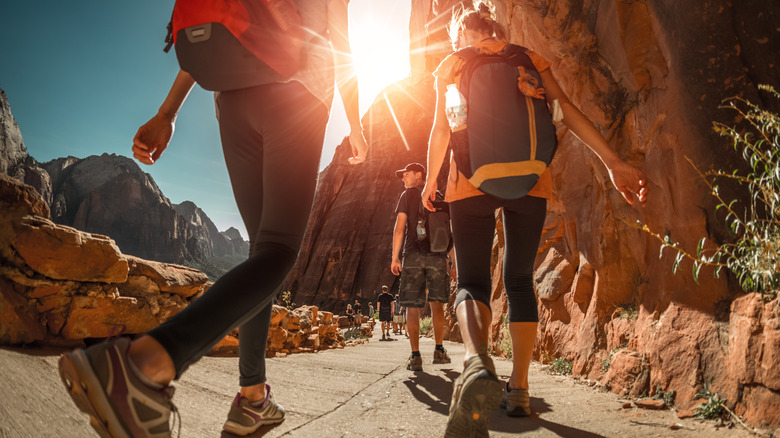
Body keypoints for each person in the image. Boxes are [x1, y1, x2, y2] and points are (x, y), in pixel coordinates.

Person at [57, 2, 368, 437]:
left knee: (262, 253)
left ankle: (253, 399)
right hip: (296, 92)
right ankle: (142, 366)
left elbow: (225, 23)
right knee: (277, 250)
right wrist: (355, 125)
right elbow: (341, 43)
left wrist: (168, 113)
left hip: (231, 98)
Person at [422, 2, 648, 435]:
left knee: (471, 282)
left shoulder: (451, 64)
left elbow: (442, 129)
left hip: (469, 181)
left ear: (459, 35)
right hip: (531, 180)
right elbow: (565, 112)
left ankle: (475, 363)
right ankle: (520, 389)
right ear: (496, 28)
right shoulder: (529, 59)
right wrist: (613, 162)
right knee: (520, 280)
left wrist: (432, 184)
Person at [391, 163, 451, 371]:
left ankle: (415, 356)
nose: (403, 179)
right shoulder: (440, 195)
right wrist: (450, 260)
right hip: (437, 256)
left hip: (413, 255)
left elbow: (399, 229)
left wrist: (395, 258)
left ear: (419, 175)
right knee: (437, 304)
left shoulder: (407, 196)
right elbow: (449, 231)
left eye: (406, 175)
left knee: (412, 306)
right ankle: (439, 350)